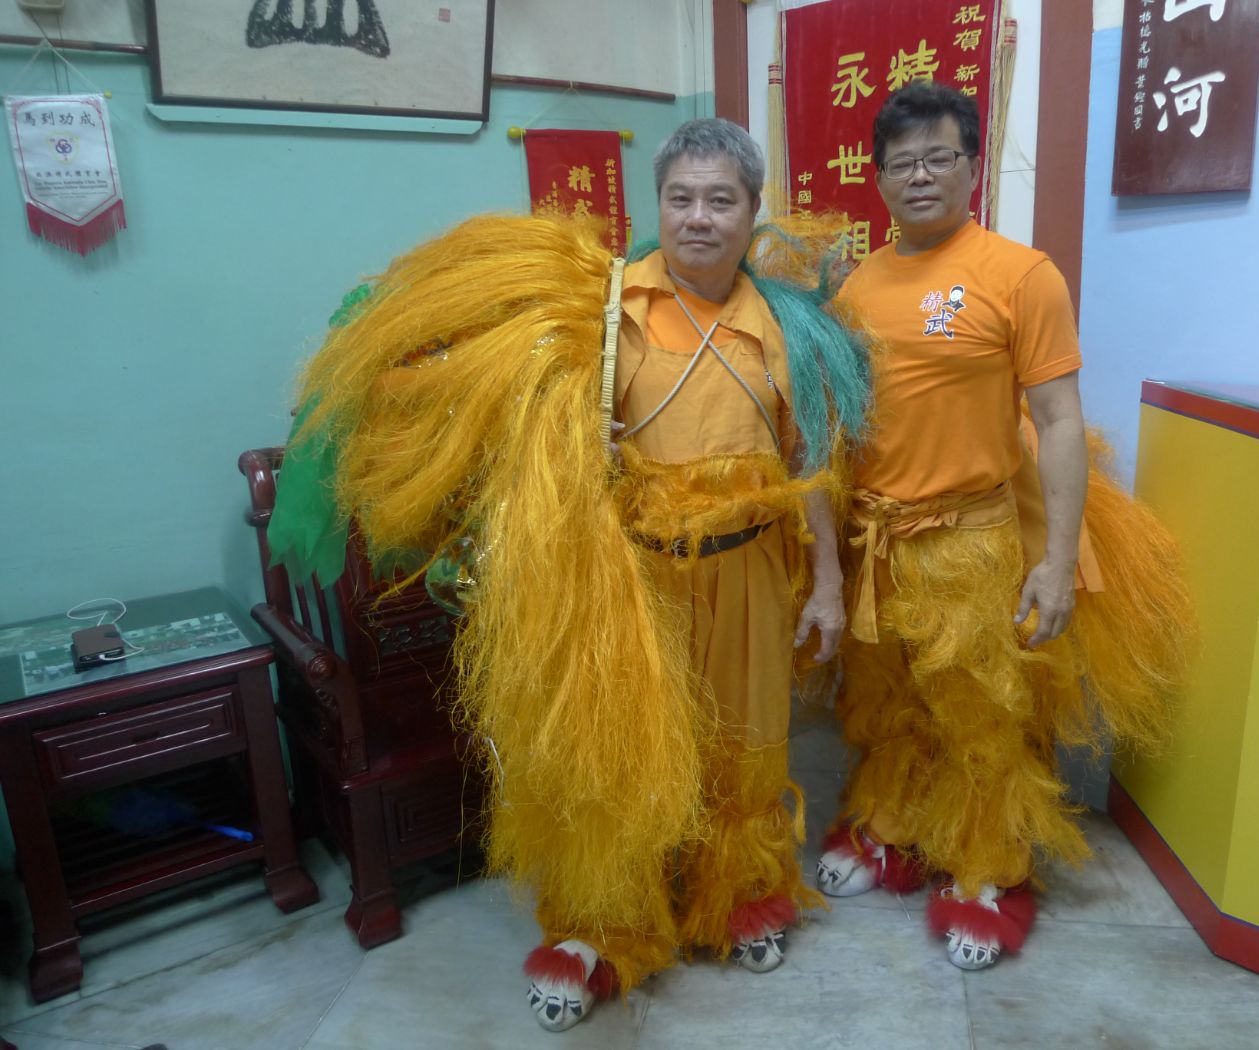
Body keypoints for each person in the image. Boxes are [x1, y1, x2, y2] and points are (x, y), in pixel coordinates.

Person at [265, 118, 870, 1030]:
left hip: (747, 574)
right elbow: (511, 442)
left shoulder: (790, 331)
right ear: (656, 205)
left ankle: (739, 896)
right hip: (626, 586)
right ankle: (604, 926)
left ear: (752, 213)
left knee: (747, 743)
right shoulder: (604, 312)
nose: (698, 218)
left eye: (720, 201)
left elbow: (809, 464)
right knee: (613, 757)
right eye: (681, 198)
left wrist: (826, 581)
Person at [815, 82, 1192, 971]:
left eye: (938, 158)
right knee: (885, 703)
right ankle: (893, 830)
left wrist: (1057, 564)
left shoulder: (1021, 275)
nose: (919, 177)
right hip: (877, 541)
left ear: (973, 167)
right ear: (877, 178)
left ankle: (989, 872)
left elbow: (1059, 423)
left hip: (972, 539)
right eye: (900, 163)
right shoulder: (857, 284)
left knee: (983, 715)